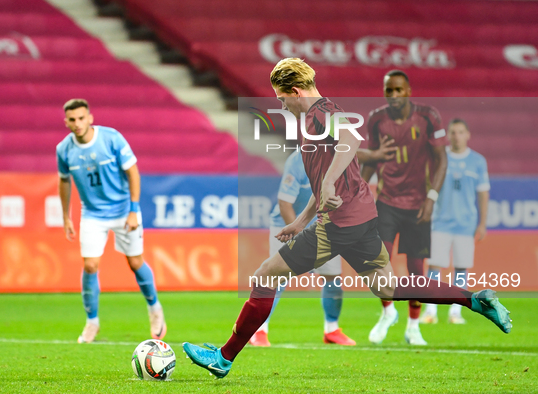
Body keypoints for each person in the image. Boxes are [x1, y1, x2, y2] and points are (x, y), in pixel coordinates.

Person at [182, 58, 511, 379]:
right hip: (359, 217)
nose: (281, 106)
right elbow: (325, 177)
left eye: (282, 99)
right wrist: (301, 221)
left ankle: (223, 357)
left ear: (296, 91)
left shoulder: (321, 112)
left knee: (265, 276)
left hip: (340, 223)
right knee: (388, 287)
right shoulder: (316, 117)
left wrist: (327, 182)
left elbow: (351, 141)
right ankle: (475, 300)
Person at [250, 142, 396, 347]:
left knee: (333, 277)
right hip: (287, 224)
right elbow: (284, 203)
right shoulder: (297, 162)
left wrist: (375, 154)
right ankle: (259, 330)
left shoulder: (332, 158)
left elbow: (353, 154)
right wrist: (296, 239)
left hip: (323, 225)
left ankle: (332, 329)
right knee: (276, 277)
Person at [56, 98, 166, 343]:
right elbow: (64, 180)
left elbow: (132, 171)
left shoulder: (111, 138)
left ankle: (154, 308)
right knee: (90, 265)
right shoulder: (64, 149)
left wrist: (134, 209)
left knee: (135, 262)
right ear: (66, 122)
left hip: (123, 209)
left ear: (90, 118)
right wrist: (65, 215)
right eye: (72, 120)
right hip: (92, 213)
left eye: (81, 118)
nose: (77, 123)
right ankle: (92, 322)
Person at [362, 70, 448, 346]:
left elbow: (441, 160)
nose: (394, 95)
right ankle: (388, 312)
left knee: (415, 270)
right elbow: (372, 161)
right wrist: (357, 191)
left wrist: (432, 198)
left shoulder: (428, 117)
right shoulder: (376, 119)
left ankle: (413, 326)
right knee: (377, 262)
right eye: (389, 90)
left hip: (418, 205)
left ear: (409, 90)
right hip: (386, 202)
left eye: (399, 90)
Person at [421, 118, 490, 324]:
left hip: (465, 224)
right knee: (434, 266)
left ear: (467, 135)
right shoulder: (439, 159)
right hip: (440, 221)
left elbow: (483, 194)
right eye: (453, 132)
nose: (456, 136)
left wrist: (482, 223)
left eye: (460, 132)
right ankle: (430, 311)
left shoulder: (478, 161)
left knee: (461, 267)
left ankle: (455, 312)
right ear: (448, 135)